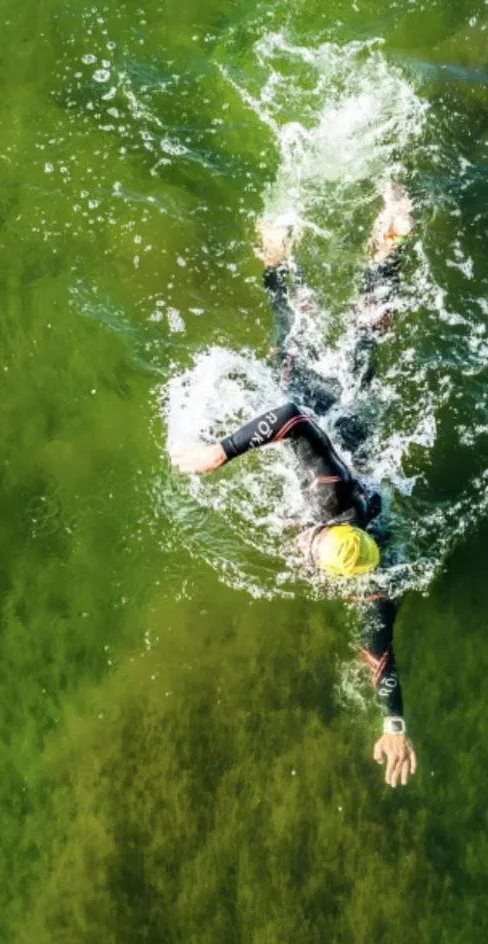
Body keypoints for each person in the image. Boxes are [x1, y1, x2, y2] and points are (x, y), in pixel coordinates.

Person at [171, 183, 419, 787]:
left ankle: (387, 240)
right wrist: (218, 453)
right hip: (330, 412)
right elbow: (290, 416)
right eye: (311, 549)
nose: (302, 551)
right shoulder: (329, 500)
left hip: (357, 433)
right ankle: (284, 255)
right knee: (299, 340)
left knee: (366, 339)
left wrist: (394, 727)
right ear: (326, 533)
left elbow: (380, 654)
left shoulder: (372, 580)